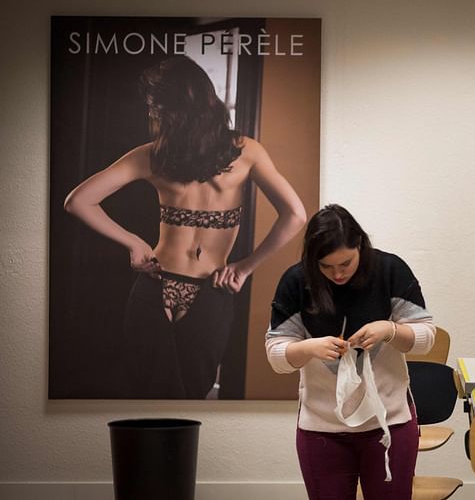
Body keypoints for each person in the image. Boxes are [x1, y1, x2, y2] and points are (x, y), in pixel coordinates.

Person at [64, 55, 306, 399]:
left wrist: (133, 242)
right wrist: (245, 267)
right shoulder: (245, 152)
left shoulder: (153, 155)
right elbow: (295, 214)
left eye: (156, 108)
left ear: (172, 109)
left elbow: (78, 200)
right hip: (202, 287)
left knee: (146, 398)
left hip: (161, 286)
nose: (153, 115)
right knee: (187, 401)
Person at [266, 204, 435, 500]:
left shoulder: (389, 270)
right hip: (321, 428)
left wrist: (390, 330)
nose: (337, 274)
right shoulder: (296, 281)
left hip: (389, 424)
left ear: (360, 245)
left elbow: (425, 338)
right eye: (326, 266)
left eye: (345, 263)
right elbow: (276, 355)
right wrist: (308, 348)